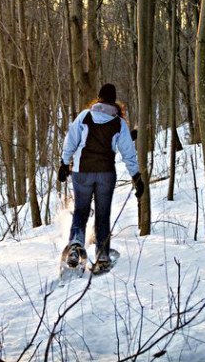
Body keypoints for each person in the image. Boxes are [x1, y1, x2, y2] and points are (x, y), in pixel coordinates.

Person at [57, 83, 144, 272]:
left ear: (99, 97)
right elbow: (128, 153)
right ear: (114, 101)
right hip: (105, 174)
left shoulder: (85, 116)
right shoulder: (119, 123)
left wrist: (64, 164)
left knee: (80, 212)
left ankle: (75, 248)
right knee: (103, 215)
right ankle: (102, 255)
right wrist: (136, 177)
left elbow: (70, 140)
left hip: (82, 171)